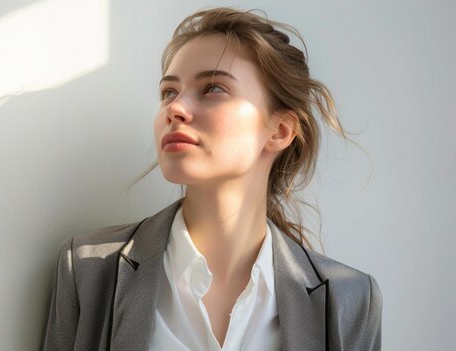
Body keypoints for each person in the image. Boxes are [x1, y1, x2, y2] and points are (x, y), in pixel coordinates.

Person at [42, 7, 382, 351]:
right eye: (168, 92)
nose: (174, 108)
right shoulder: (88, 269)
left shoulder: (349, 299)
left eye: (213, 87)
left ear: (280, 130)